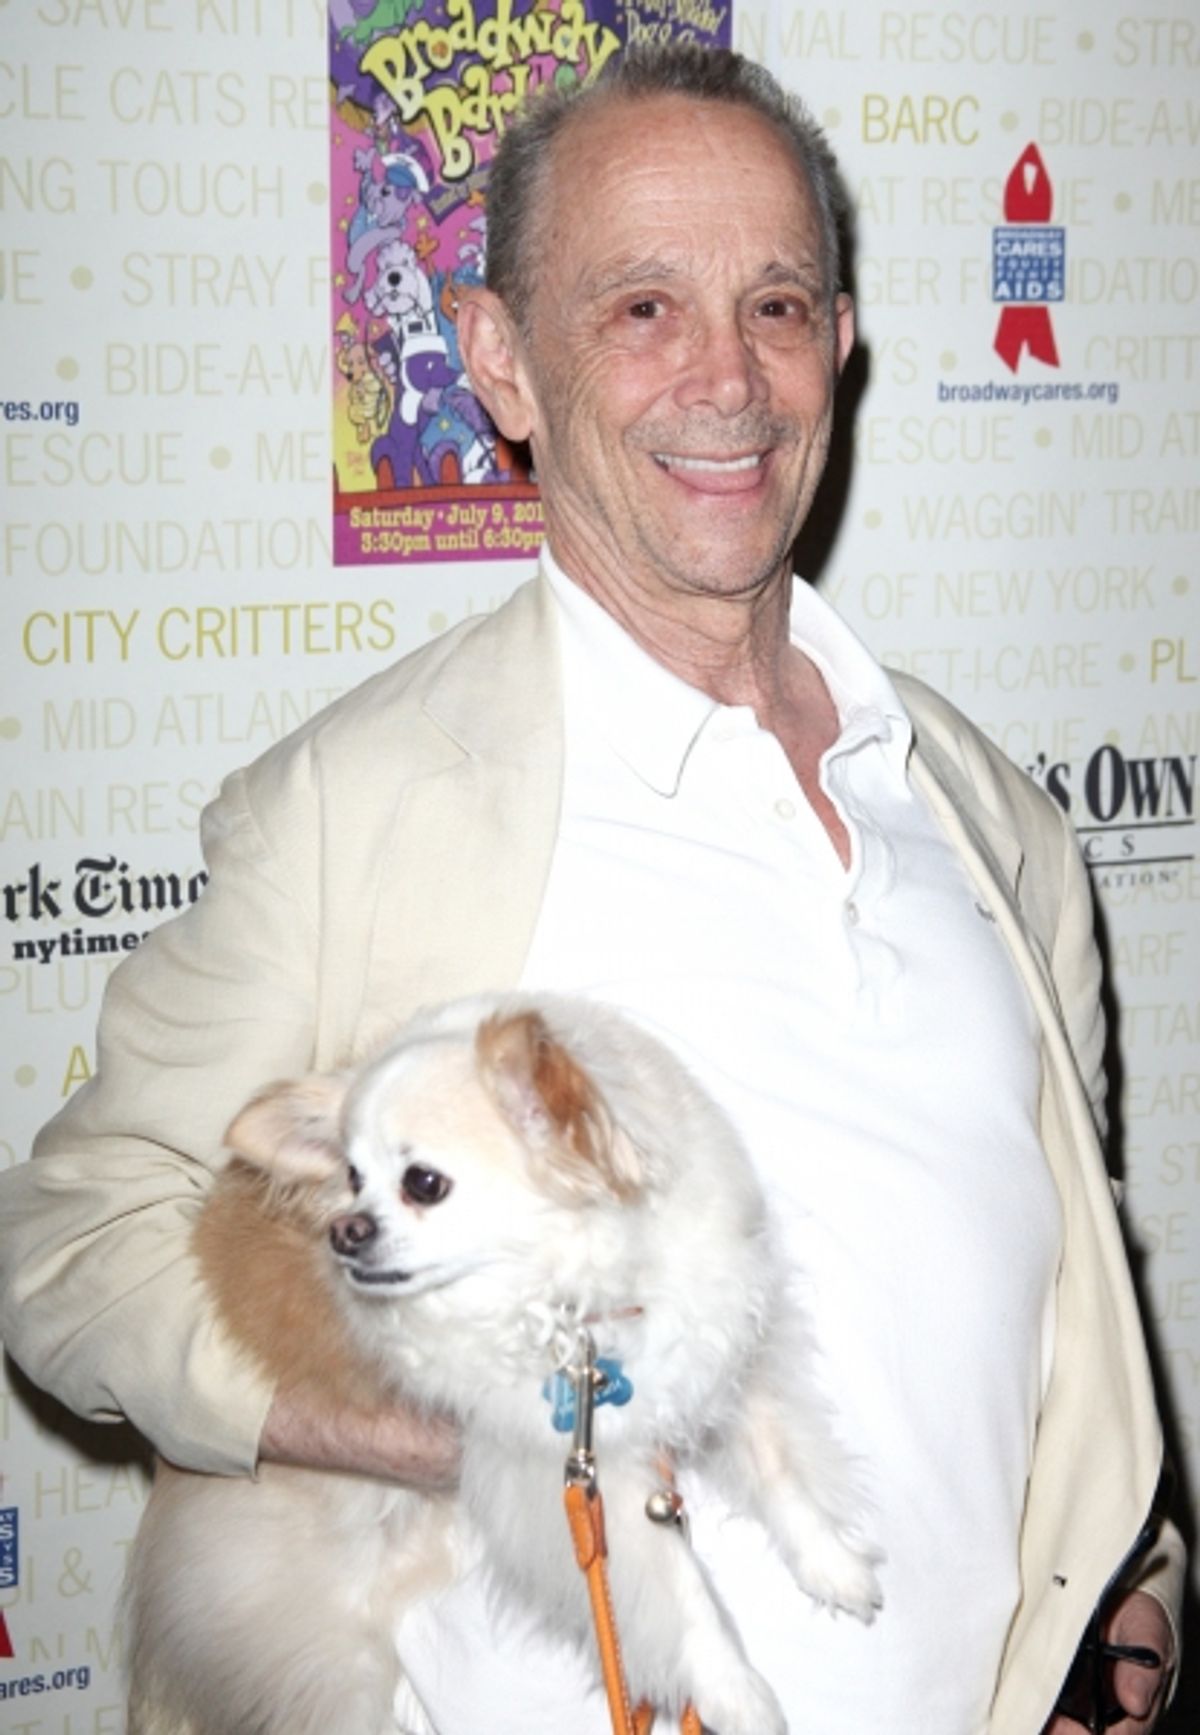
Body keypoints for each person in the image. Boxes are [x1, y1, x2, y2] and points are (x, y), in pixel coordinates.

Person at [0, 43, 1183, 1735]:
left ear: (838, 349)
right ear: (502, 364)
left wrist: (1117, 1591)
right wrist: (451, 1427)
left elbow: (1050, 1311)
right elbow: (73, 1240)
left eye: (777, 306)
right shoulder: (361, 809)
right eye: (641, 309)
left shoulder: (991, 819)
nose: (728, 380)